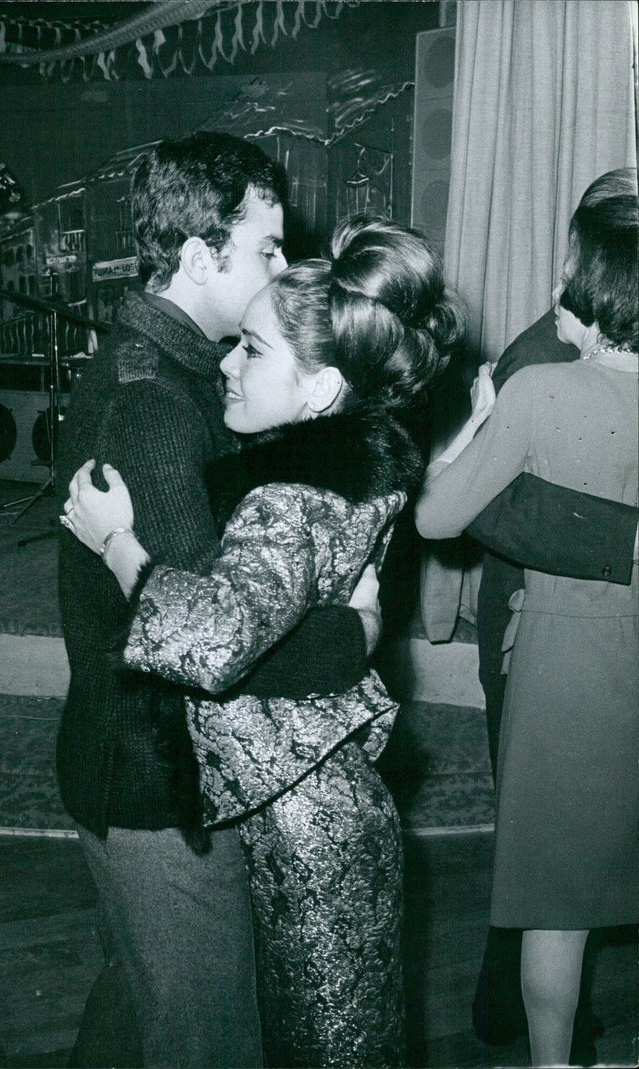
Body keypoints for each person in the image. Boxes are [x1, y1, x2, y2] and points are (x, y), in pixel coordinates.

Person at [62, 212, 465, 1067]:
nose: (227, 366)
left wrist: (119, 544)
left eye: (253, 350)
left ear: (320, 390)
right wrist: (353, 632)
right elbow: (300, 628)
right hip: (315, 799)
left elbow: (212, 639)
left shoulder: (289, 495)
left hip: (304, 825)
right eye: (268, 245)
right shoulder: (357, 455)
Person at [415, 170, 638, 1066]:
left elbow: (433, 516)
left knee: (556, 901)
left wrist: (474, 419)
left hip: (564, 667)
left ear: (588, 280)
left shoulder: (540, 391)